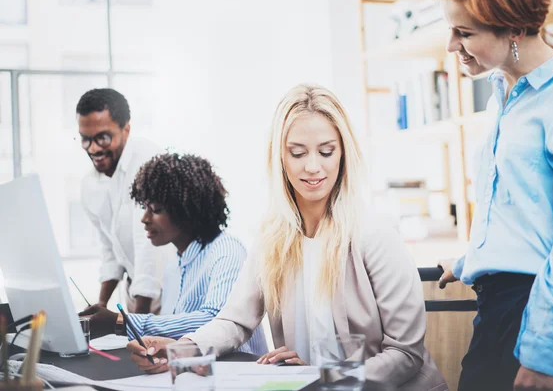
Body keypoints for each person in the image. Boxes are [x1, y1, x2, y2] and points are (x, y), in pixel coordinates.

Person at [125, 84, 448, 390]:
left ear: (343, 154)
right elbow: (236, 320)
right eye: (297, 153)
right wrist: (183, 348)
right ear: (280, 157)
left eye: (326, 151)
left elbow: (405, 355)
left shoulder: (375, 234)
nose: (312, 167)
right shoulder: (273, 236)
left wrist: (320, 379)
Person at [433, 0, 553, 390]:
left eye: (465, 33)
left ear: (513, 30)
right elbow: (520, 209)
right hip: (498, 309)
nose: (452, 46)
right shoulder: (500, 98)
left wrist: (543, 354)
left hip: (547, 313)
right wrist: (473, 256)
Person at [80, 153, 268, 355]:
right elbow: (174, 338)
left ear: (187, 211)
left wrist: (121, 322)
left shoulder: (226, 251)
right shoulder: (172, 267)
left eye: (156, 209)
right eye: (145, 207)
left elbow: (216, 321)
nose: (144, 218)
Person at [78, 88, 167, 313]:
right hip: (134, 294)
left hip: (166, 294)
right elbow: (110, 248)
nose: (93, 148)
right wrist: (101, 304)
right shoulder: (90, 184)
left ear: (125, 129)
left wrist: (136, 323)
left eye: (103, 138)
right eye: (86, 139)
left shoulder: (148, 162)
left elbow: (149, 248)